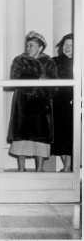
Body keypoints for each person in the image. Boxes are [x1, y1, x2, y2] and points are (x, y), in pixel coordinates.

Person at [7, 31, 58, 172]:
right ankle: (21, 169)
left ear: (40, 47)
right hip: (22, 105)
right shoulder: (19, 60)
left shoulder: (49, 62)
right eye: (27, 45)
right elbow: (15, 78)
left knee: (40, 141)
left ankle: (39, 170)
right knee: (21, 139)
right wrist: (38, 79)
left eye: (31, 45)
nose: (28, 48)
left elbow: (54, 86)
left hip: (41, 107)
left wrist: (44, 83)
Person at [51, 34, 73, 172]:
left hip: (72, 102)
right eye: (65, 44)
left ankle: (67, 167)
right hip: (58, 102)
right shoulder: (55, 61)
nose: (67, 48)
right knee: (59, 136)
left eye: (71, 45)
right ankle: (68, 167)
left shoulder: (79, 62)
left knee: (69, 135)